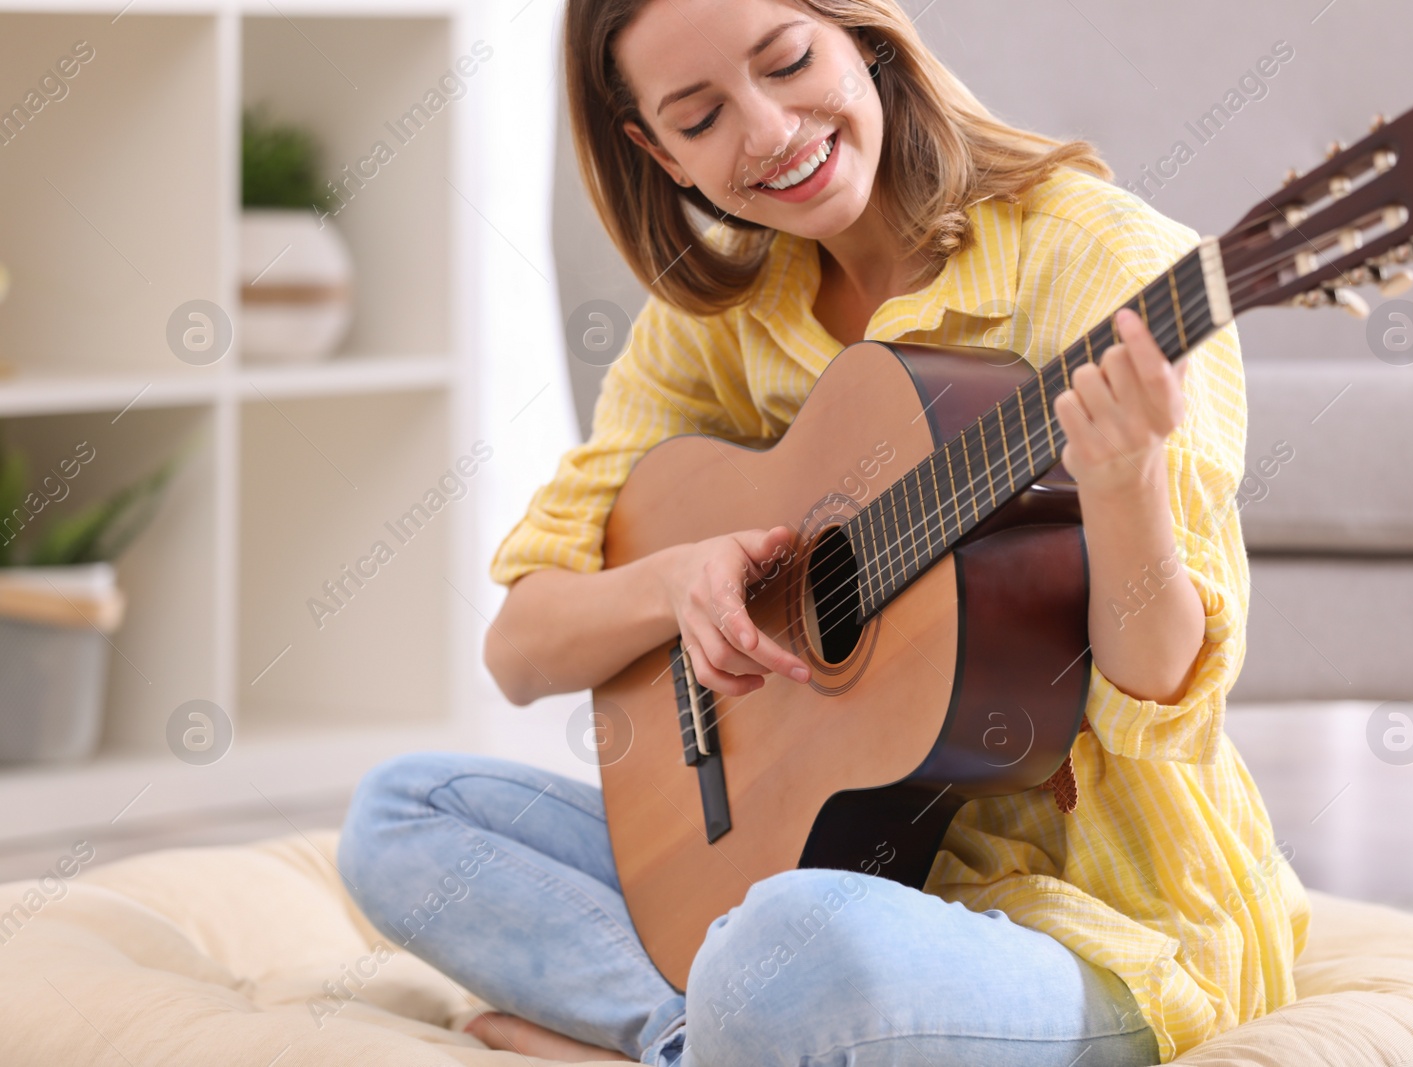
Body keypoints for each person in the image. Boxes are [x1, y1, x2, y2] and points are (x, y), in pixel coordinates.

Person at [337, 1, 1312, 1063]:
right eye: (700, 117)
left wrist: (1123, 485)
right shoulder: (715, 319)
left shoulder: (1105, 265)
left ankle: (679, 1032)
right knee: (402, 814)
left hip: (1102, 919)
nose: (766, 132)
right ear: (655, 151)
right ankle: (697, 1036)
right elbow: (519, 650)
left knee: (792, 942)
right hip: (807, 866)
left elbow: (1163, 681)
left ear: (866, 35)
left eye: (789, 61)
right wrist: (675, 584)